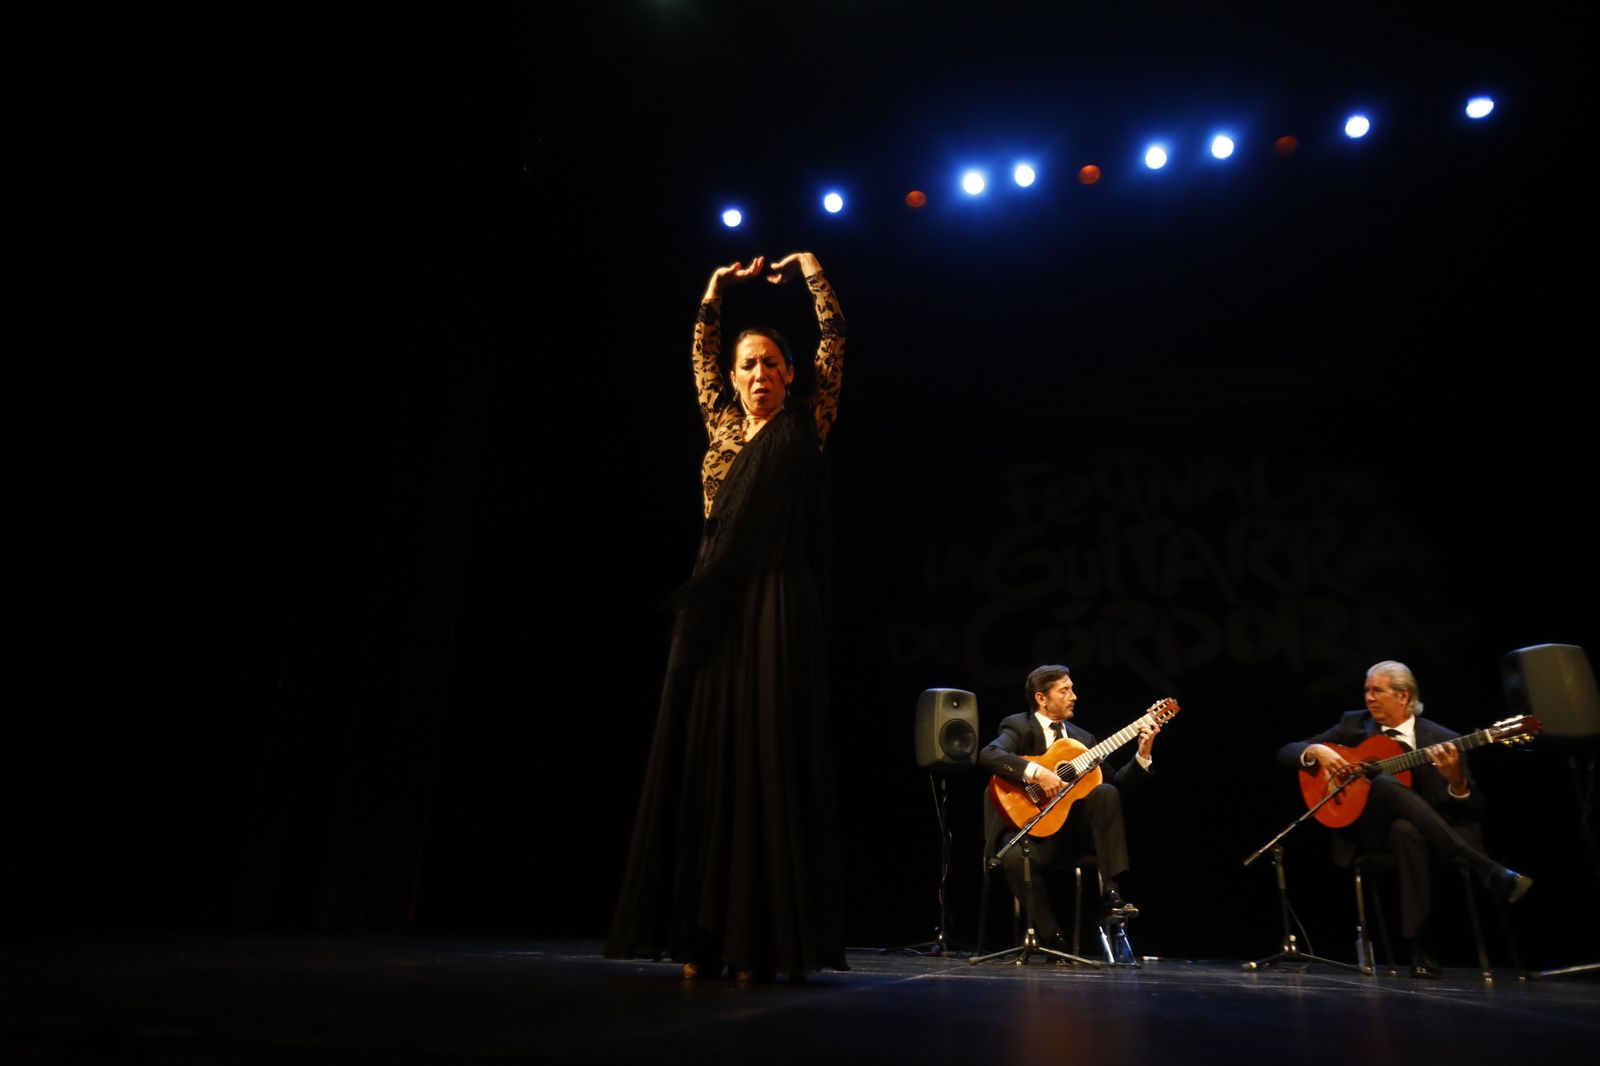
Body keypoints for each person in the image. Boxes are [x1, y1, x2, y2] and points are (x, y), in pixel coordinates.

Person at [604, 252, 847, 983]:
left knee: (765, 754)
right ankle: (703, 933)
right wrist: (713, 292)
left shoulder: (807, 423)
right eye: (748, 364)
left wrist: (811, 273)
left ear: (790, 373)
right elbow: (700, 353)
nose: (757, 374)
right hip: (712, 602)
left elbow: (834, 343)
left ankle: (764, 937)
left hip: (775, 599)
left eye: (771, 363)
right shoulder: (718, 422)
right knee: (706, 755)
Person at [1277, 659, 1532, 977]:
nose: (1369, 698)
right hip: (1371, 832)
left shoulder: (1444, 738)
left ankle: (1423, 951)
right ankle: (1488, 869)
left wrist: (1456, 782)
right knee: (1381, 780)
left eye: (1377, 691)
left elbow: (1472, 810)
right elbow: (1287, 750)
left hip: (1428, 835)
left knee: (1406, 829)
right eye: (1367, 690)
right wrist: (1318, 751)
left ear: (1403, 696)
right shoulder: (1353, 725)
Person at [979, 664, 1158, 954]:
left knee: (1105, 792)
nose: (1073, 696)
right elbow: (990, 754)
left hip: (1071, 838)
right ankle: (1053, 939)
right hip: (1030, 837)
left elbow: (1116, 785)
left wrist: (1142, 754)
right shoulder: (1018, 726)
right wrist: (1038, 773)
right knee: (1013, 858)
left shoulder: (1083, 739)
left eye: (1072, 688)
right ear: (1041, 698)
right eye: (1065, 690)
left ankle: (1111, 892)